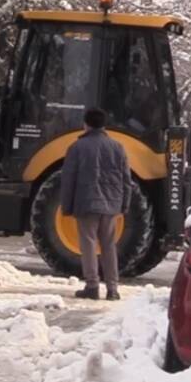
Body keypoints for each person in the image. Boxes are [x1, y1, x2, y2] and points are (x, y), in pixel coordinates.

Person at [61, 107, 130, 301]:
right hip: (111, 205)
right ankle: (112, 289)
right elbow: (126, 179)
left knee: (89, 244)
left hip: (86, 203)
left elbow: (68, 179)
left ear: (86, 124)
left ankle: (92, 286)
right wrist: (124, 204)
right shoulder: (118, 147)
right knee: (109, 245)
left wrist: (67, 206)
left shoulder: (77, 147)